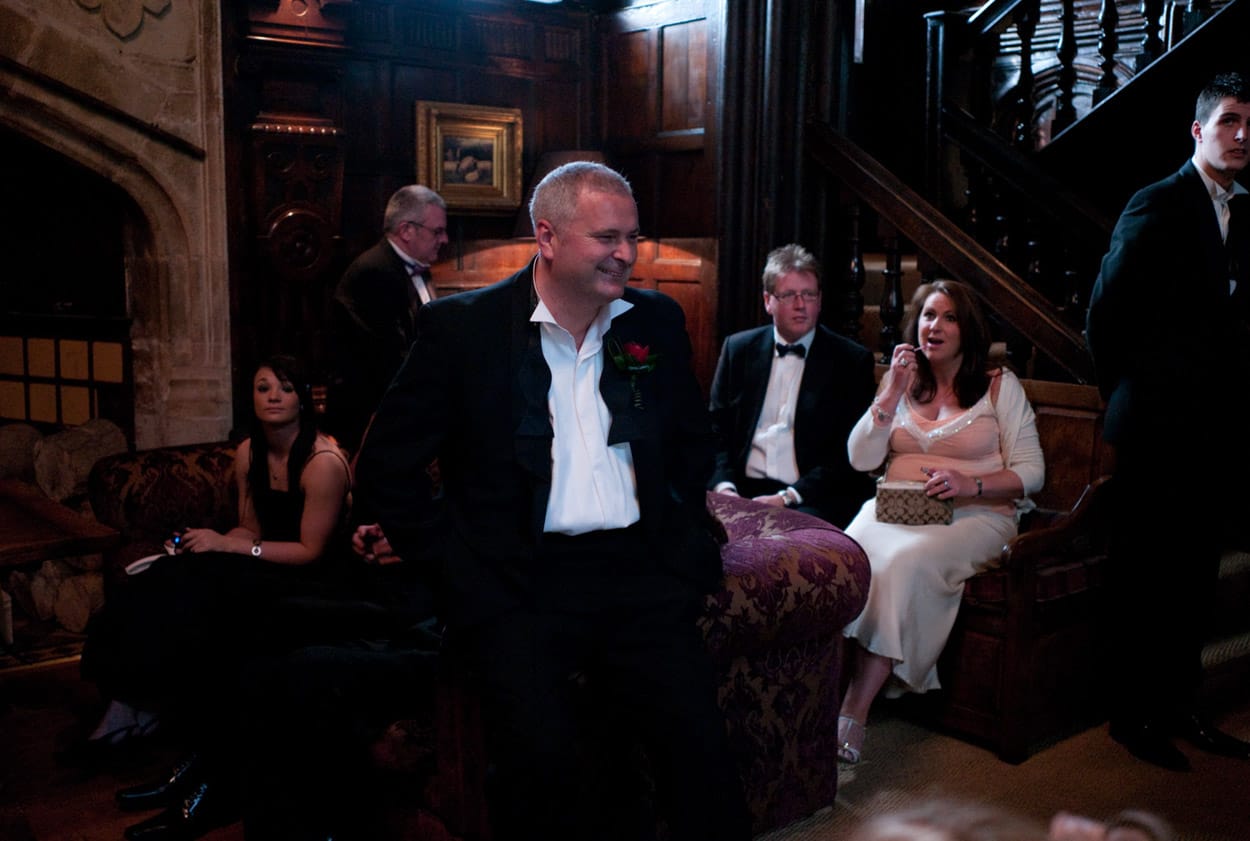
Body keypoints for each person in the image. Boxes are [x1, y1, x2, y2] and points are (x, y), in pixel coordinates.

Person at [353, 161, 750, 840]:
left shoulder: (654, 320)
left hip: (640, 577)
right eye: (606, 237)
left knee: (702, 756)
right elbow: (386, 467)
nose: (625, 253)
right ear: (547, 236)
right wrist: (458, 567)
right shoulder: (464, 330)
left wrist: (680, 535)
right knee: (545, 774)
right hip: (520, 586)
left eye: (631, 236)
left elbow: (690, 441)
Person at [72, 354, 354, 840]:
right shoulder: (248, 453)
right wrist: (204, 543)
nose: (273, 396)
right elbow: (249, 528)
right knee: (171, 576)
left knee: (218, 613)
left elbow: (311, 552)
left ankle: (202, 768)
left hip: (317, 581)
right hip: (267, 562)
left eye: (286, 388)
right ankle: (131, 701)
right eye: (263, 387)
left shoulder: (323, 462)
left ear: (304, 399)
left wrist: (235, 547)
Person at [1085, 71, 1250, 771]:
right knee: (1144, 577)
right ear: (1198, 130)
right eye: (1230, 121)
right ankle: (1134, 717)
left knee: (1194, 577)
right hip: (1154, 428)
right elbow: (1104, 314)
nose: (1242, 135)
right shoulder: (1156, 202)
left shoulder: (1247, 212)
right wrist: (1131, 395)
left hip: (1217, 431)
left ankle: (1182, 707)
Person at [836, 279, 1044, 764]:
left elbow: (1033, 473)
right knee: (844, 557)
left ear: (968, 329)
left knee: (905, 562)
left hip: (977, 514)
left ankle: (854, 711)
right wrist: (891, 391)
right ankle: (819, 690)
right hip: (895, 508)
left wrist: (971, 484)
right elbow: (860, 459)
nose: (936, 326)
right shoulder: (904, 381)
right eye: (929, 315)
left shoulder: (998, 385)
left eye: (949, 317)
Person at [708, 242, 876, 526]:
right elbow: (715, 431)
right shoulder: (738, 350)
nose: (801, 305)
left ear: (819, 300)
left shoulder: (850, 361)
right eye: (788, 295)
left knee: (779, 541)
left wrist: (787, 498)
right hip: (740, 489)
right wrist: (725, 489)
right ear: (768, 301)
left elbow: (846, 455)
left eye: (809, 294)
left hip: (810, 497)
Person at [326, 184, 449, 453]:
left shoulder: (418, 266)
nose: (445, 239)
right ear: (406, 230)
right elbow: (389, 357)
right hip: (374, 420)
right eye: (437, 231)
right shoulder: (374, 272)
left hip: (405, 412)